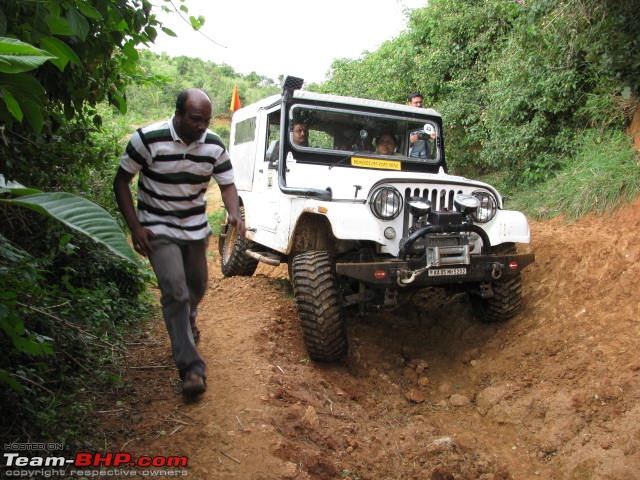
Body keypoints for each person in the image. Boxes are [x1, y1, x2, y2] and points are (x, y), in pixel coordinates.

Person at [113, 88, 245, 400]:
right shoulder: (146, 140)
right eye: (195, 119)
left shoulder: (213, 144)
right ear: (178, 114)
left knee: (196, 288)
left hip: (195, 227)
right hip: (157, 227)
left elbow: (226, 183)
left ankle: (188, 321)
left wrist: (232, 212)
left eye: (207, 120)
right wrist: (136, 227)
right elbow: (121, 182)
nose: (202, 126)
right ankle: (191, 369)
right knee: (175, 291)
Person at [407, 92, 429, 158]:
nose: (419, 105)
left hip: (425, 157)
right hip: (409, 157)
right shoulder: (404, 117)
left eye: (420, 102)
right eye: (416, 103)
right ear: (410, 103)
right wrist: (409, 141)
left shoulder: (428, 117)